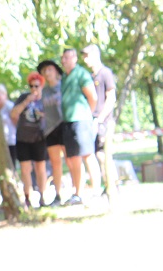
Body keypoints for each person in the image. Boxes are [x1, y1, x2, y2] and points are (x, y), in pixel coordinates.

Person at [60, 47, 98, 205]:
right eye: (63, 58)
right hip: (67, 121)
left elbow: (92, 97)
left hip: (81, 120)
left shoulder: (81, 74)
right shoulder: (64, 78)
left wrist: (87, 114)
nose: (64, 61)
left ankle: (96, 190)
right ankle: (78, 192)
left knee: (87, 154)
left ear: (74, 58)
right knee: (73, 158)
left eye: (67, 57)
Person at [82, 45, 117, 197]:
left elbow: (111, 97)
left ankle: (113, 185)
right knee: (98, 154)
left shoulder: (105, 73)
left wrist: (101, 118)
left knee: (104, 154)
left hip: (105, 121)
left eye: (87, 56)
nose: (85, 59)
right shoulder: (90, 77)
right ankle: (108, 184)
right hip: (93, 121)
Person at [11, 72, 49, 208]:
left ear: (41, 86)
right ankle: (27, 197)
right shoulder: (23, 98)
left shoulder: (45, 99)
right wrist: (27, 101)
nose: (34, 88)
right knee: (25, 169)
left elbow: (53, 117)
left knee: (40, 167)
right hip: (23, 138)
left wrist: (43, 115)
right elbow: (13, 114)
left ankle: (43, 196)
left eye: (36, 86)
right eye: (31, 86)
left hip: (39, 138)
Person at [38, 60, 66, 206]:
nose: (47, 73)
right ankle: (58, 194)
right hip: (50, 129)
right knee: (56, 163)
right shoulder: (43, 91)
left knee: (71, 159)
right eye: (44, 71)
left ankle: (77, 192)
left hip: (65, 125)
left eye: (49, 69)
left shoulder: (64, 86)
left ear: (56, 70)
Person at [0, 83, 17, 167]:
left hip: (11, 142)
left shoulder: (10, 107)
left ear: (4, 95)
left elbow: (17, 123)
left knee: (11, 165)